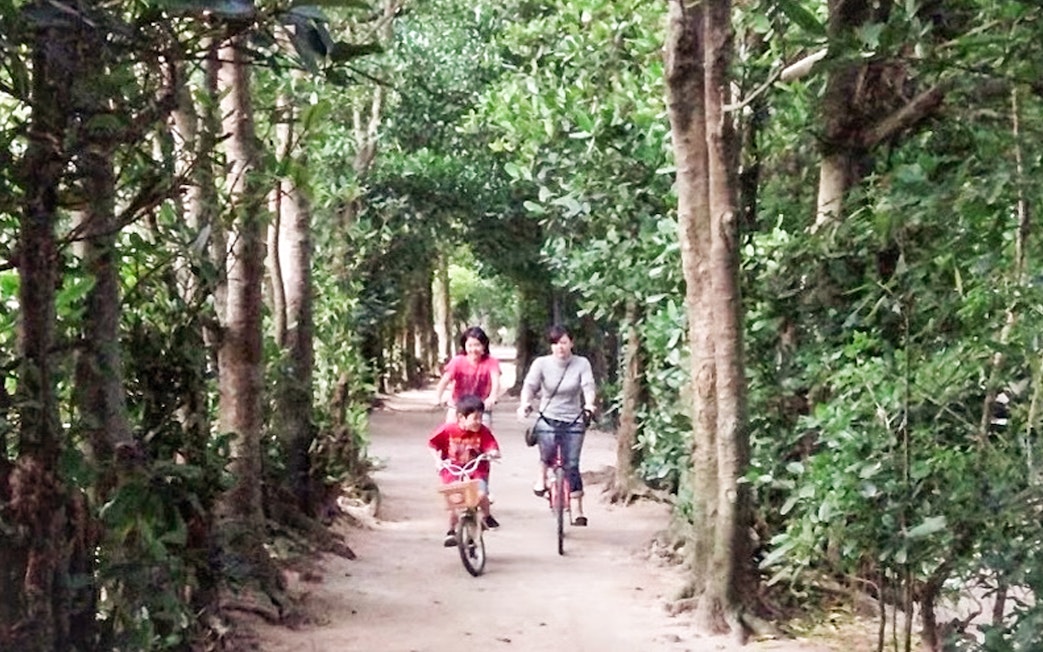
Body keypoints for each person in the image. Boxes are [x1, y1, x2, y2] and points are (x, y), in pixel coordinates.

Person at [515, 324, 596, 526]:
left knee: (572, 464)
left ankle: (578, 510)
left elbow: (588, 385)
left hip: (574, 419)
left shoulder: (581, 363)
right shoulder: (541, 364)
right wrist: (525, 403)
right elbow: (530, 385)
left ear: (571, 343)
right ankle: (541, 478)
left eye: (563, 342)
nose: (559, 347)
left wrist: (590, 405)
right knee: (547, 449)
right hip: (548, 415)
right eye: (555, 343)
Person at [429, 394, 501, 547]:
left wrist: (492, 453)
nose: (478, 422)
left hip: (476, 470)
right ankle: (451, 530)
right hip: (452, 470)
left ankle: (487, 516)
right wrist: (438, 461)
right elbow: (432, 444)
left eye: (480, 418)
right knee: (455, 501)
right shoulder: (448, 429)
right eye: (475, 418)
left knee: (480, 495)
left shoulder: (483, 431)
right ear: (461, 417)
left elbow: (492, 446)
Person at [434, 326, 502, 425]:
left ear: (484, 346)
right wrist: (438, 397)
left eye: (477, 345)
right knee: (451, 430)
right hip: (457, 406)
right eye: (470, 345)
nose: (473, 349)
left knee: (485, 434)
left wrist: (492, 397)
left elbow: (496, 382)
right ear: (464, 346)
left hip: (481, 407)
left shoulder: (491, 362)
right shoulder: (457, 362)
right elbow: (444, 381)